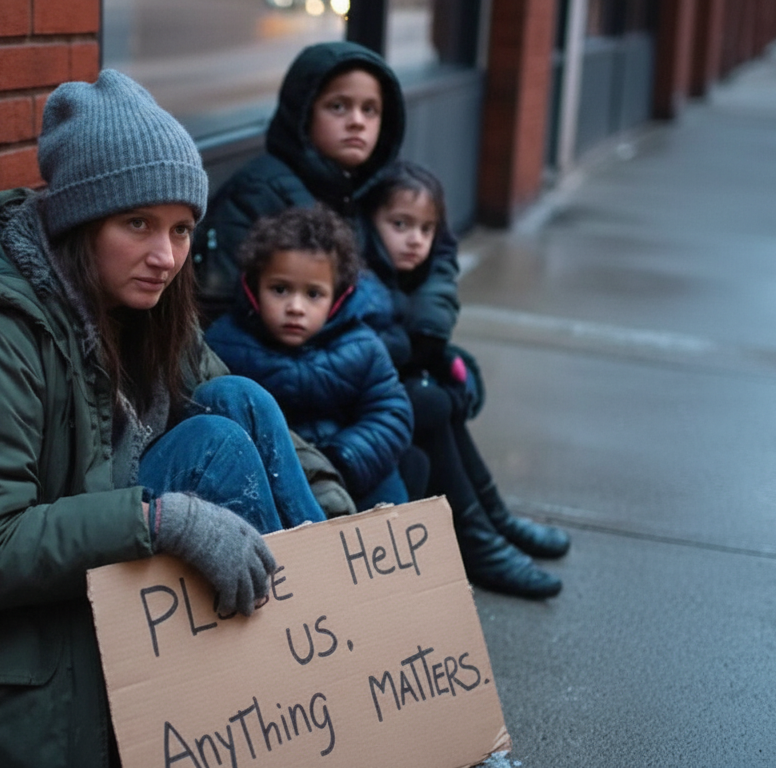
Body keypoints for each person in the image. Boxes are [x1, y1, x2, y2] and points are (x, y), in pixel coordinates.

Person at [0, 71, 343, 768]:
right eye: (138, 224)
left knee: (239, 400)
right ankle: (336, 688)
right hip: (22, 678)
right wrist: (163, 521)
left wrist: (338, 512)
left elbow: (229, 395)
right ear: (80, 220)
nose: (166, 256)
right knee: (214, 445)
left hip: (107, 600)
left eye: (182, 229)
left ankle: (354, 660)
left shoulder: (138, 304)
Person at [363, 160, 571, 600]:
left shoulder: (408, 276)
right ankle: (479, 538)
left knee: (443, 398)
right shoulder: (364, 275)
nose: (415, 239)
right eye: (400, 224)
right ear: (370, 220)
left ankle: (493, 521)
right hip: (348, 401)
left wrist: (449, 366)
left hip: (385, 386)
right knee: (432, 402)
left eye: (426, 228)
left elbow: (416, 343)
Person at [191, 40, 457, 327]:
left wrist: (429, 320)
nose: (357, 121)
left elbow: (439, 247)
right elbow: (221, 305)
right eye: (338, 106)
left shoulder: (380, 181)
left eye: (370, 110)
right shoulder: (258, 191)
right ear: (304, 113)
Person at [205, 206, 414, 511]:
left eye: (313, 294)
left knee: (393, 495)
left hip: (354, 473)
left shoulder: (362, 346)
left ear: (338, 295)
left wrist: (344, 458)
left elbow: (391, 412)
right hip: (278, 481)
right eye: (280, 289)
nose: (295, 307)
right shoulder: (226, 344)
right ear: (253, 288)